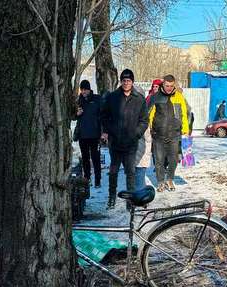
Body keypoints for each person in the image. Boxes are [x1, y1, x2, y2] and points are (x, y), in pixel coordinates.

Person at [99, 68, 148, 209]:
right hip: (115, 143)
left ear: (132, 82)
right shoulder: (113, 97)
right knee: (113, 172)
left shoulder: (139, 99)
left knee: (130, 173)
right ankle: (111, 198)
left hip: (131, 143)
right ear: (121, 82)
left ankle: (130, 201)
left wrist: (136, 133)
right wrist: (108, 131)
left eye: (129, 80)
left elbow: (144, 120)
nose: (126, 83)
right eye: (124, 80)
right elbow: (104, 116)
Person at [146, 75, 190, 191]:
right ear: (163, 85)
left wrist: (185, 131)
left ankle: (170, 179)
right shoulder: (156, 97)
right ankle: (160, 182)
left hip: (174, 135)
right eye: (167, 86)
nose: (169, 88)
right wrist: (150, 129)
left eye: (171, 86)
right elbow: (149, 114)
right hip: (158, 135)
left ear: (174, 85)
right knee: (159, 160)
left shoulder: (179, 97)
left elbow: (184, 115)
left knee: (174, 160)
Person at [72, 80, 102, 188]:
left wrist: (102, 132)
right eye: (82, 89)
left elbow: (103, 115)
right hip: (82, 135)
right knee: (85, 158)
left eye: (86, 89)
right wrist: (76, 114)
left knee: (96, 158)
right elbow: (72, 116)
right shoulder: (78, 100)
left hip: (95, 135)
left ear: (89, 89)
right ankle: (87, 178)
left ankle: (98, 180)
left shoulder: (97, 99)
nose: (84, 91)